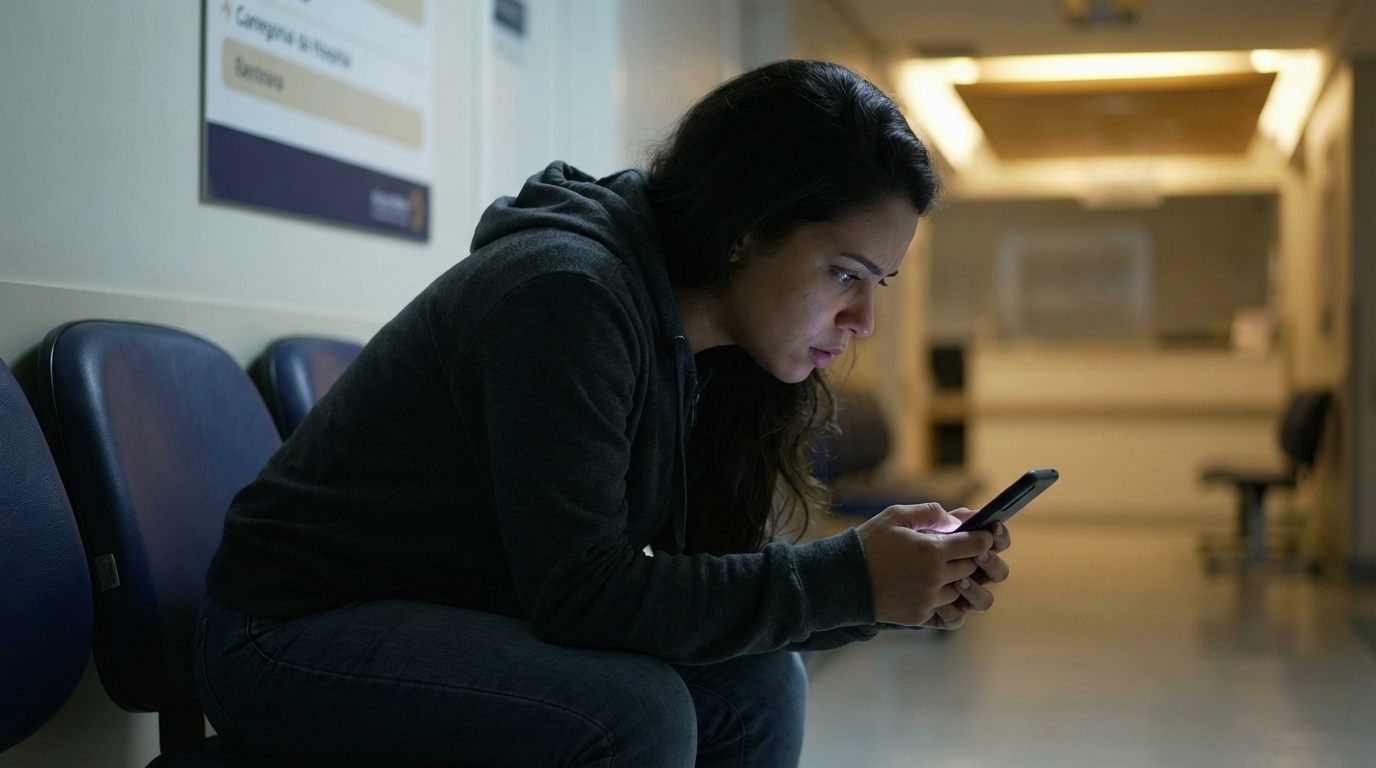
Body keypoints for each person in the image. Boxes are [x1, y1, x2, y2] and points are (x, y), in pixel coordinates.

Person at [196, 59, 1013, 766]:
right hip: (288, 634)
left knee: (758, 682)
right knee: (633, 712)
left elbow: (693, 592)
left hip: (452, 611)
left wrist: (879, 588)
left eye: (878, 284)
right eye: (845, 274)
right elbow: (585, 595)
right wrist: (852, 582)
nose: (863, 320)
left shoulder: (712, 347)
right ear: (745, 230)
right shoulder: (566, 296)